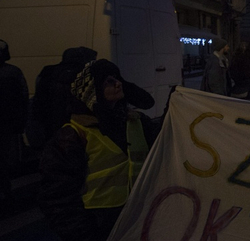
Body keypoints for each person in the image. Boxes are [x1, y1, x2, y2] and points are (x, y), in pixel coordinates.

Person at [38, 59, 160, 241]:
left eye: (118, 79)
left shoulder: (137, 122)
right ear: (91, 93)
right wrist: (83, 233)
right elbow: (58, 197)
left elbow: (166, 143)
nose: (118, 84)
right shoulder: (72, 136)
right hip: (99, 226)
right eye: (108, 81)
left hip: (140, 217)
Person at [28, 46, 98, 149]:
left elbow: (39, 98)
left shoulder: (47, 71)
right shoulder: (86, 74)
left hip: (48, 122)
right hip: (76, 125)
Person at [0, 39, 29, 204]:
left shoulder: (13, 72)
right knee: (5, 159)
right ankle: (7, 192)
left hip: (8, 123)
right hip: (9, 123)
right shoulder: (13, 72)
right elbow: (23, 97)